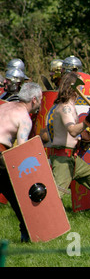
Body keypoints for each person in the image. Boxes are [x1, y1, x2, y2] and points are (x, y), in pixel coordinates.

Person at [48, 71, 90, 219]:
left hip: (72, 158)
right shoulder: (65, 108)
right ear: (72, 87)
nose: (82, 89)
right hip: (62, 158)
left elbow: (74, 135)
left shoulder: (70, 106)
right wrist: (88, 121)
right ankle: (42, 221)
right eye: (80, 85)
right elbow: (72, 130)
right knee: (56, 195)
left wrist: (88, 132)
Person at [0, 82, 42, 242]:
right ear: (34, 100)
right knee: (18, 197)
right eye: (40, 100)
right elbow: (21, 150)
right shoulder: (24, 118)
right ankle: (26, 233)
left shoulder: (4, 106)